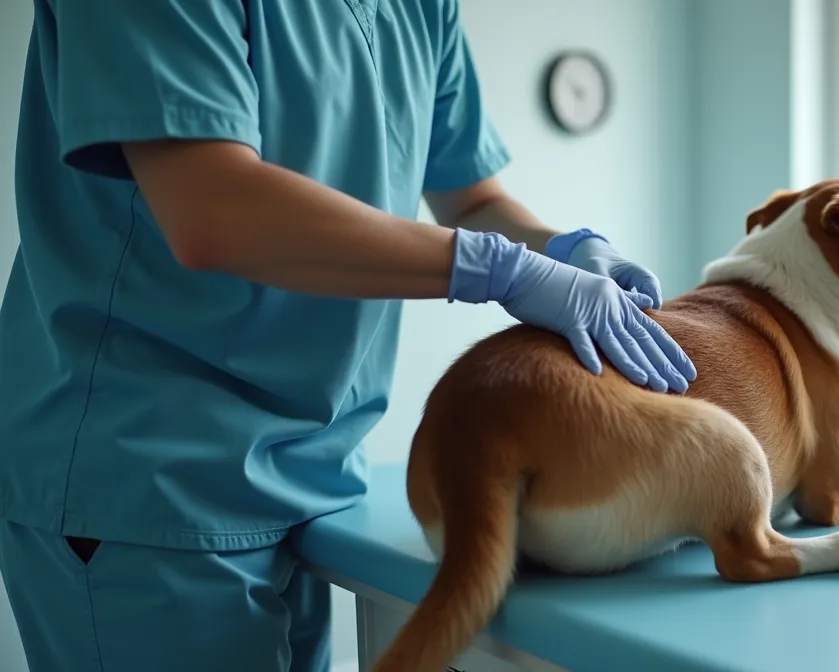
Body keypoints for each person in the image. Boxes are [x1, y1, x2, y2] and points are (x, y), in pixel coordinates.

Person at [0, 1, 696, 670]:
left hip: (310, 475)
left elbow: (473, 197)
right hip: (147, 470)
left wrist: (561, 248)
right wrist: (499, 269)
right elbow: (211, 209)